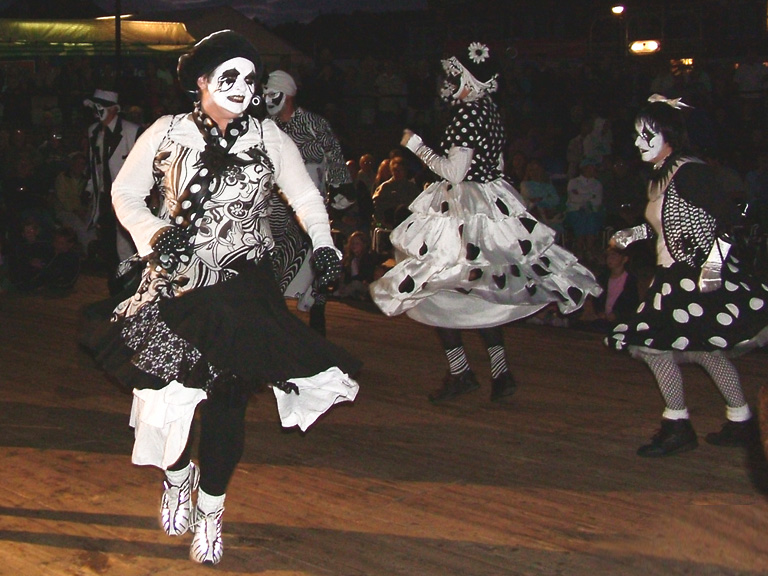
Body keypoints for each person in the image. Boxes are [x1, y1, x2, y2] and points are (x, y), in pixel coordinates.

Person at [81, 31, 361, 565]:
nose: (241, 88)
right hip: (177, 282)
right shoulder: (167, 132)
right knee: (167, 396)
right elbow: (124, 193)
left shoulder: (269, 137)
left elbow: (304, 193)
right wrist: (155, 235)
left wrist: (324, 243)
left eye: (250, 78)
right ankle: (178, 476)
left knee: (228, 399)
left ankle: (211, 510)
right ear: (203, 81)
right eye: (228, 76)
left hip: (242, 289)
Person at [370, 41, 600, 404]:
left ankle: (463, 373)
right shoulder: (490, 111)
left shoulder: (466, 113)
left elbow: (455, 171)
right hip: (489, 201)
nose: (450, 82)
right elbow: (497, 164)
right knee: (480, 289)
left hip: (463, 206)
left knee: (440, 289)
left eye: (456, 75)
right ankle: (500, 372)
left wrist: (416, 147)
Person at [606, 94, 768, 458]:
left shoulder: (690, 171)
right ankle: (741, 420)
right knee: (703, 350)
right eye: (636, 134)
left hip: (693, 275)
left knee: (654, 347)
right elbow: (666, 227)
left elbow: (730, 222)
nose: (637, 142)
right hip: (677, 274)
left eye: (646, 134)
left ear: (669, 136)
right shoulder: (661, 177)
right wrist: (632, 235)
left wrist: (711, 270)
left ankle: (677, 425)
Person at [263, 69, 353, 335]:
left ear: (287, 94)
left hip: (308, 201)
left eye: (272, 94)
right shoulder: (268, 128)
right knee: (275, 260)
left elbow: (334, 155)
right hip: (275, 206)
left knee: (314, 257)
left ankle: (317, 319)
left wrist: (341, 189)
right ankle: (275, 324)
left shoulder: (314, 123)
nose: (267, 99)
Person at [83, 88, 143, 281]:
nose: (96, 111)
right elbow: (95, 166)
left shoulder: (131, 132)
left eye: (100, 107)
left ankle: (133, 287)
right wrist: (89, 189)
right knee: (109, 245)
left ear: (113, 109)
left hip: (127, 198)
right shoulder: (94, 132)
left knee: (125, 245)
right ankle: (116, 287)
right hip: (104, 199)